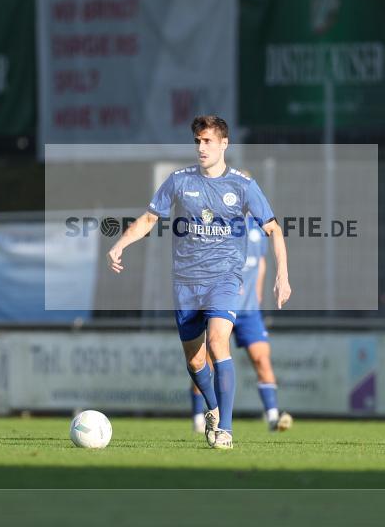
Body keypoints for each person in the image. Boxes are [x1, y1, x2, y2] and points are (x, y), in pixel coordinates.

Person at [108, 115, 291, 450]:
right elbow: (150, 218)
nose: (201, 147)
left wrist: (282, 274)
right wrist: (121, 243)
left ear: (224, 144)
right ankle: (212, 407)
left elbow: (274, 229)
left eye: (208, 141)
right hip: (186, 284)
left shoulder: (243, 185)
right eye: (197, 141)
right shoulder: (178, 181)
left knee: (217, 345)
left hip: (224, 279)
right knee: (194, 361)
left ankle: (226, 429)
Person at [189, 212, 293, 434]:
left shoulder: (258, 231)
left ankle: (273, 418)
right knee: (203, 361)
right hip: (220, 305)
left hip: (248, 310)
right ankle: (200, 417)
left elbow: (261, 263)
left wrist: (258, 292)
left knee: (261, 358)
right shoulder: (217, 228)